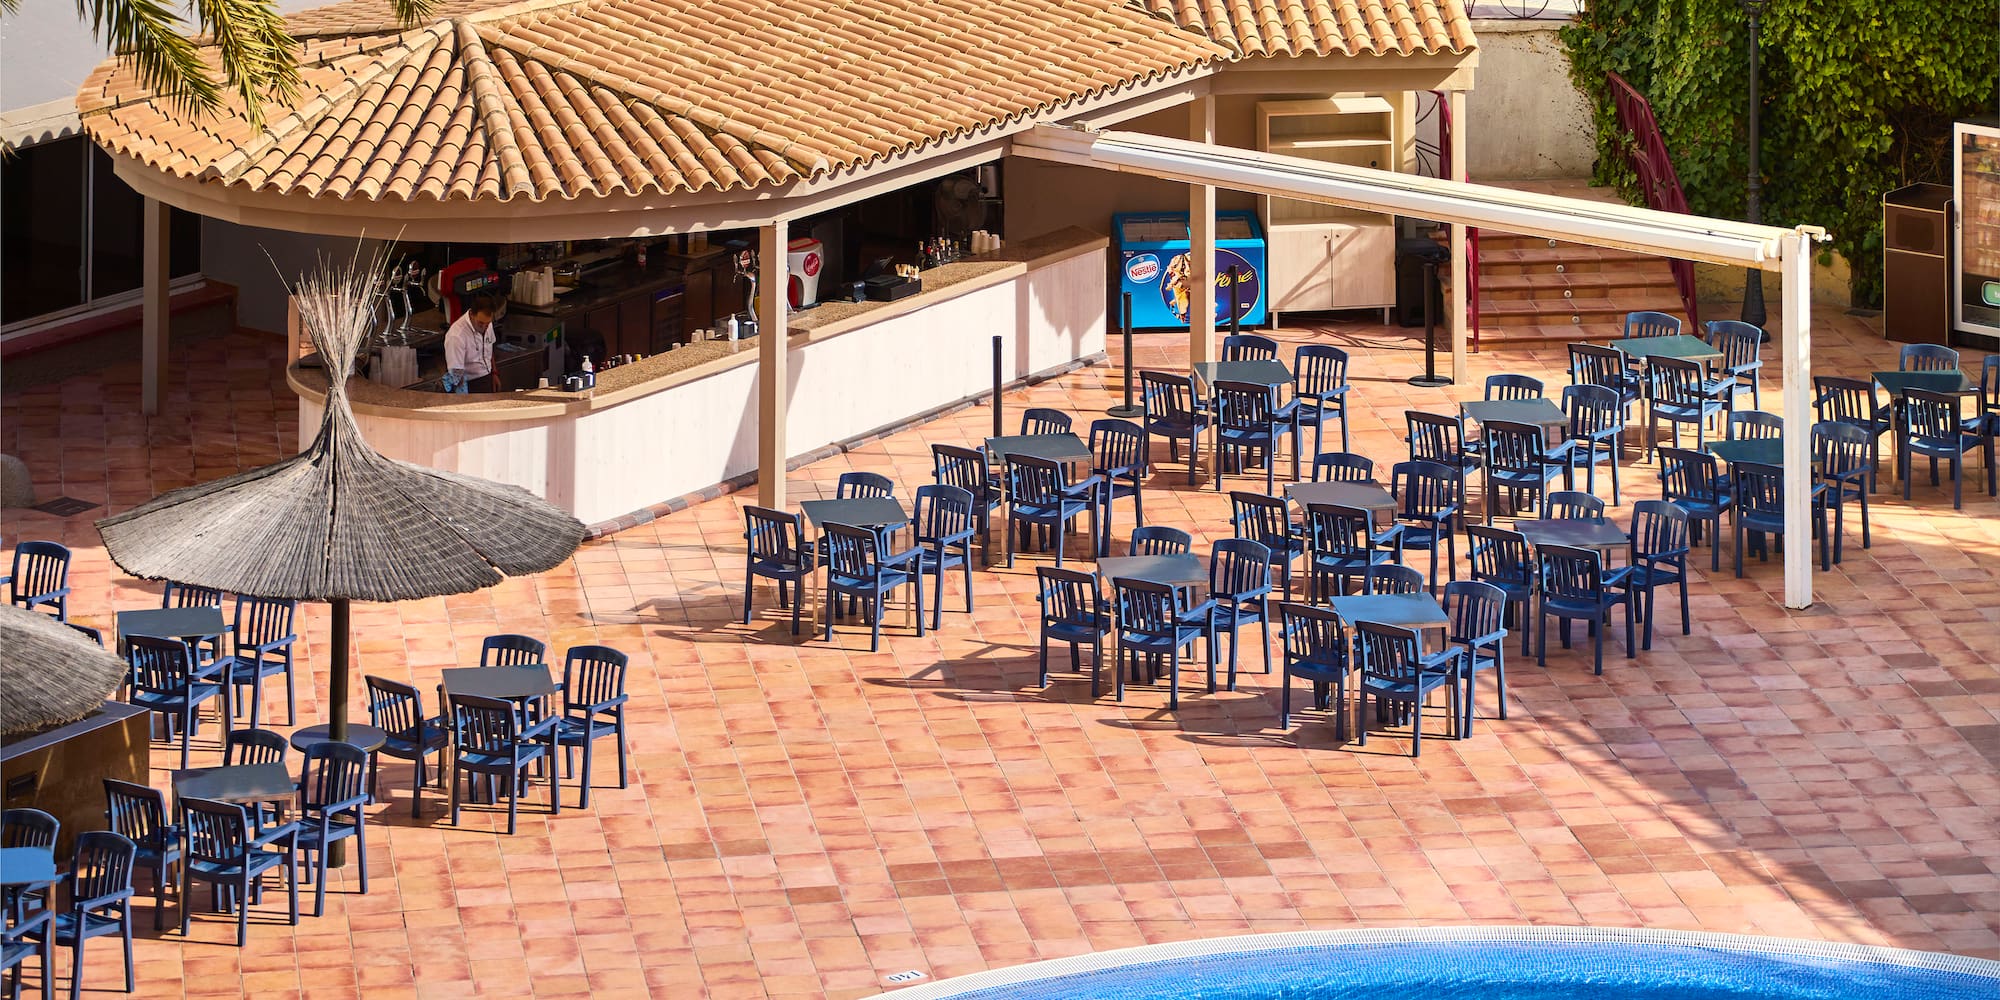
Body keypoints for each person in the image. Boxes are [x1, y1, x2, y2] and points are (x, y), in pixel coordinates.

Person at [444, 292, 500, 393]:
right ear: (471, 314)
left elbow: (489, 348)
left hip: (487, 377)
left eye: (487, 324)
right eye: (480, 323)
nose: (484, 327)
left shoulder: (487, 323)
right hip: (469, 384)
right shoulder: (456, 336)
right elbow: (456, 374)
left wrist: (494, 373)